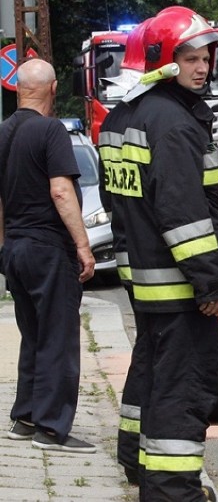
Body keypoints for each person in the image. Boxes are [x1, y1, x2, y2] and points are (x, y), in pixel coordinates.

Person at [109, 6, 218, 501]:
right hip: (180, 288)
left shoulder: (135, 114)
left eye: (205, 57)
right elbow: (184, 214)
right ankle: (174, 491)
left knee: (155, 380)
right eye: (189, 58)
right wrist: (209, 284)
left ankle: (149, 474)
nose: (201, 67)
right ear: (163, 63)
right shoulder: (171, 122)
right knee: (183, 390)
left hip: (151, 281)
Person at [0, 58, 97, 453]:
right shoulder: (51, 130)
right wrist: (83, 245)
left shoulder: (3, 133)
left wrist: (4, 247)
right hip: (47, 249)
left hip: (16, 249)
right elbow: (61, 191)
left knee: (33, 335)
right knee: (58, 336)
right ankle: (52, 428)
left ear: (17, 89)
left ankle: (25, 417)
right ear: (54, 89)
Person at [96, 17, 150, 484]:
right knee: (160, 357)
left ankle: (131, 447)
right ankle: (141, 455)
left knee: (147, 352)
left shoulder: (111, 125)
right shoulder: (153, 123)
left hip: (130, 257)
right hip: (156, 262)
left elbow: (113, 201)